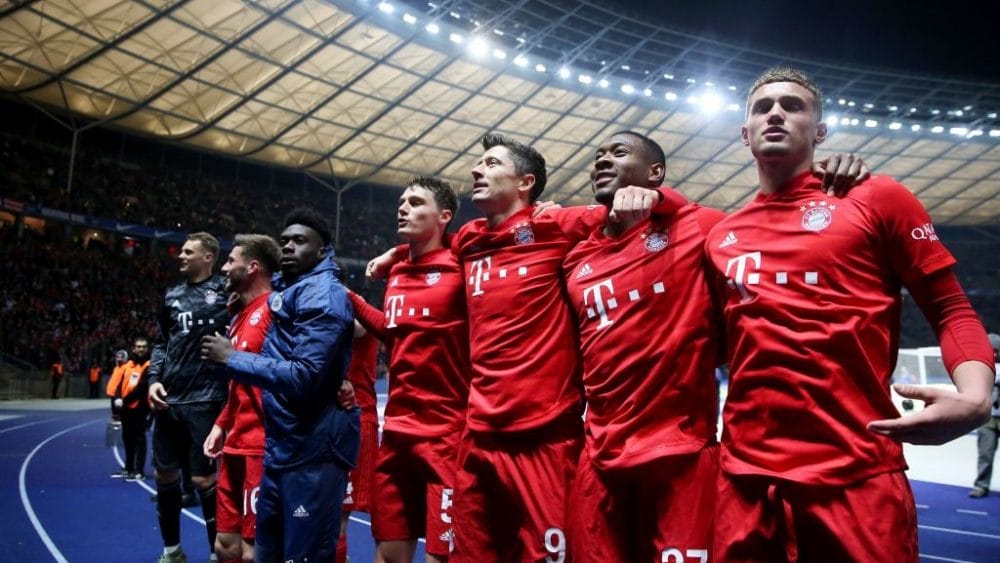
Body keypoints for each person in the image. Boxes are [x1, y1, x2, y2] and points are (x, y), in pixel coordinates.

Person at [705, 66, 995, 562]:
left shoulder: (877, 199)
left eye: (792, 105)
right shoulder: (720, 238)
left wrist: (975, 397)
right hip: (746, 482)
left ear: (820, 132)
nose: (775, 112)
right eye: (762, 107)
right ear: (744, 132)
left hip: (855, 477)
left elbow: (950, 307)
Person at [368, 133, 671, 561]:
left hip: (542, 441)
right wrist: (395, 254)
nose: (477, 170)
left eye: (491, 164)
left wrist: (652, 194)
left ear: (525, 182)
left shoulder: (556, 225)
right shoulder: (469, 238)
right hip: (476, 439)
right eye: (479, 164)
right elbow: (434, 242)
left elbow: (630, 215)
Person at [561, 131, 725, 562]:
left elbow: (762, 229)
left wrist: (665, 199)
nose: (601, 161)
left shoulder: (696, 227)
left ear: (655, 172)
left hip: (679, 457)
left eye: (617, 153)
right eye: (596, 155)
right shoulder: (576, 259)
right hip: (598, 461)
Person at [201, 208, 359, 563]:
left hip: (312, 450)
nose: (287, 247)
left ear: (322, 252)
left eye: (299, 241)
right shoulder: (286, 293)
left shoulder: (323, 296)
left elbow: (305, 374)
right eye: (285, 240)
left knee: (301, 555)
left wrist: (233, 359)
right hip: (282, 448)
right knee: (267, 553)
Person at [350, 176, 471, 563]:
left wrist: (396, 249)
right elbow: (394, 332)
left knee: (443, 557)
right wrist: (351, 299)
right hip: (398, 434)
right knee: (387, 553)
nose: (403, 207)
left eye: (416, 202)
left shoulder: (463, 261)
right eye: (402, 201)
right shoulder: (398, 273)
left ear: (444, 216)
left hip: (448, 435)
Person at [148, 232, 230, 563]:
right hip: (168, 400)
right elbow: (160, 343)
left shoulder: (226, 293)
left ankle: (216, 553)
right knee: (164, 475)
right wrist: (153, 379)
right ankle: (172, 551)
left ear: (208, 257)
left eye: (188, 251)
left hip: (206, 399)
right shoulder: (171, 296)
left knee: (202, 478)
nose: (180, 256)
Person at [201, 234, 280, 563]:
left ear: (252, 267)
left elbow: (281, 374)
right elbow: (240, 382)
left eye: (230, 260)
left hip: (259, 448)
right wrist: (221, 424)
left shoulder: (276, 311)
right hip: (234, 443)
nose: (224, 267)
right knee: (225, 546)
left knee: (252, 549)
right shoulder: (239, 316)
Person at [338, 324, 379, 563]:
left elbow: (358, 327)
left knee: (339, 515)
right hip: (331, 421)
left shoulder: (357, 313)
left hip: (357, 420)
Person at [109, 337, 152, 481]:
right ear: (133, 348)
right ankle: (128, 468)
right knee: (127, 438)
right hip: (126, 409)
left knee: (139, 439)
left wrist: (124, 400)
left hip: (140, 408)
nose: (141, 349)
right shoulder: (128, 365)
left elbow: (142, 388)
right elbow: (120, 385)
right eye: (138, 346)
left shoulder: (149, 365)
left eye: (144, 347)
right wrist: (117, 399)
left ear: (147, 349)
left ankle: (139, 471)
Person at [970, 333, 1000, 498]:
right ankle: (981, 485)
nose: (994, 354)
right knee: (985, 454)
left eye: (996, 351)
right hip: (988, 418)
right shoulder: (978, 366)